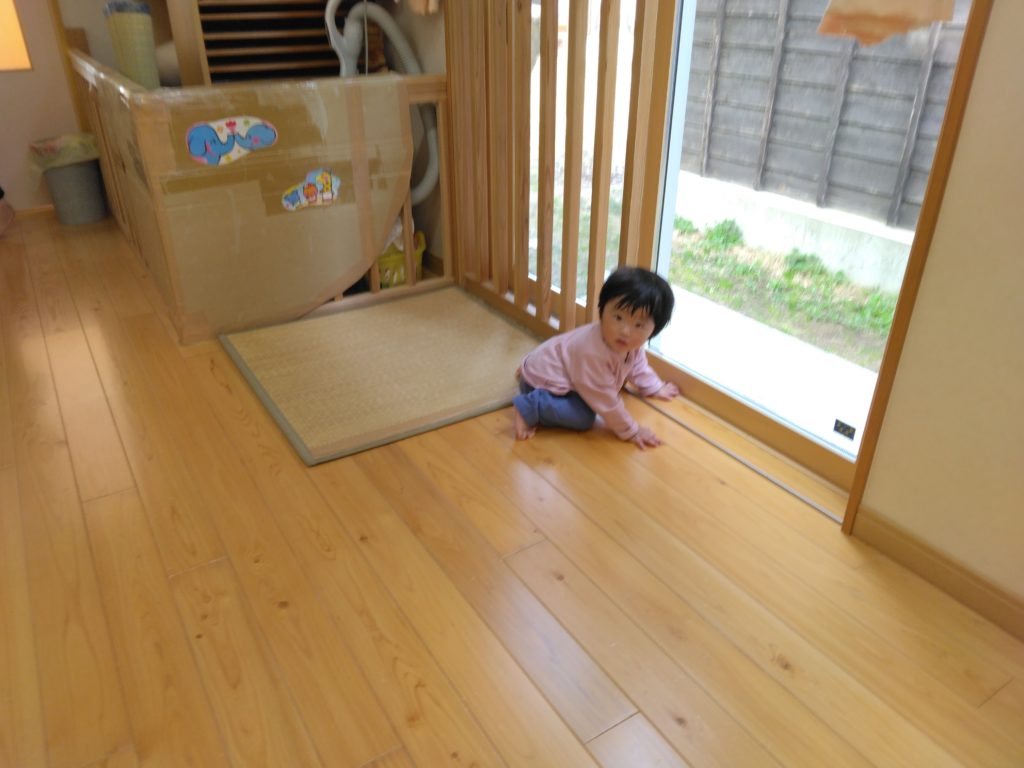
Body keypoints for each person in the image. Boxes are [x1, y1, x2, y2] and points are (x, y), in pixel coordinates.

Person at [513, 266, 680, 450]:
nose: (625, 331)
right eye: (618, 317)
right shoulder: (592, 352)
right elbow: (605, 400)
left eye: (639, 325)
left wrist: (654, 387)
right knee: (584, 417)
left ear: (653, 331)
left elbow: (637, 366)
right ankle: (531, 405)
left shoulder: (631, 345)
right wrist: (632, 431)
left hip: (555, 370)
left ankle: (530, 378)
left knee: (601, 396)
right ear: (602, 309)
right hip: (541, 382)